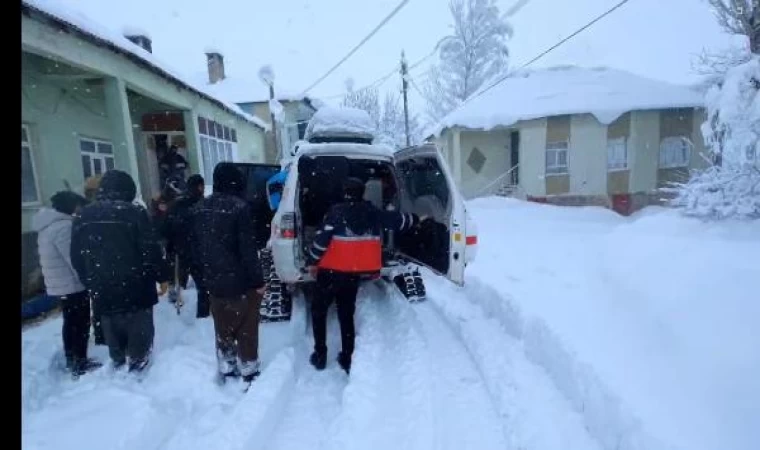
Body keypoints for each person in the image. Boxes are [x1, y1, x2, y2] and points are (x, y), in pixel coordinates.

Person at [305, 177, 422, 374]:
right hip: (352, 274)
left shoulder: (336, 212)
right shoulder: (372, 213)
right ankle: (347, 357)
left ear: (345, 192)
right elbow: (397, 221)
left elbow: (321, 242)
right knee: (346, 314)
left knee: (319, 311)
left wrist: (311, 261)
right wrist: (416, 219)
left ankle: (320, 355)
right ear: (362, 193)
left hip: (330, 272)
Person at [71, 170, 170, 373]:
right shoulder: (134, 213)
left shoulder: (83, 216)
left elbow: (77, 256)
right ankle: (139, 368)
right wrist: (162, 276)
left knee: (112, 330)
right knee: (138, 334)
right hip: (136, 288)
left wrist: (90, 280)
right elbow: (150, 250)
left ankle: (117, 365)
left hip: (103, 290)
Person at [189, 163, 266, 385]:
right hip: (240, 278)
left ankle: (227, 364)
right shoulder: (240, 208)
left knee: (222, 323)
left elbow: (194, 247)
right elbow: (248, 250)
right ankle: (249, 368)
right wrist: (258, 280)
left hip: (213, 278)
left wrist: (202, 274)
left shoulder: (199, 208)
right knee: (247, 324)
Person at [33, 191, 101, 377]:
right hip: (72, 285)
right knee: (80, 322)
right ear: (70, 206)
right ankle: (79, 361)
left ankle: (72, 357)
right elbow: (74, 259)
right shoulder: (63, 227)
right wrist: (88, 278)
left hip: (60, 284)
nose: (80, 209)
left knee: (70, 322)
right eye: (77, 205)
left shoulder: (47, 225)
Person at [165, 174, 208, 318]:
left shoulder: (176, 204)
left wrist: (171, 247)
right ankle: (202, 315)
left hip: (181, 251)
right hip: (197, 251)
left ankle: (179, 315)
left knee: (181, 283)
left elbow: (166, 229)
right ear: (199, 187)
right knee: (202, 286)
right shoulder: (202, 205)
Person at [83, 175, 106, 345]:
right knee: (102, 305)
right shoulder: (96, 212)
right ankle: (103, 336)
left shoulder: (84, 214)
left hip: (95, 268)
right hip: (100, 266)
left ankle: (101, 335)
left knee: (99, 302)